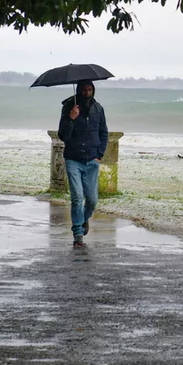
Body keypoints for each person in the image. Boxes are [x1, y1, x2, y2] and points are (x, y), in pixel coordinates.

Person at [57, 79, 108, 248]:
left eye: (89, 89)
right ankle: (78, 232)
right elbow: (63, 135)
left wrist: (99, 154)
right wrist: (71, 119)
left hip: (92, 160)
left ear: (93, 90)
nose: (87, 93)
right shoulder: (69, 107)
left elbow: (103, 133)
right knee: (77, 197)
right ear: (78, 90)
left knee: (92, 200)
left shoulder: (98, 108)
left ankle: (84, 219)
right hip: (73, 159)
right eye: (84, 90)